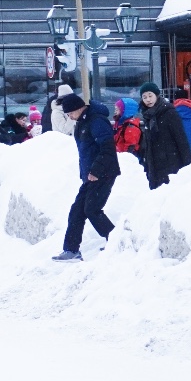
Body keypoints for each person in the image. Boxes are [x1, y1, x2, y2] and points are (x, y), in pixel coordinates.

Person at [53, 94, 119, 262]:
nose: (69, 117)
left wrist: (96, 170)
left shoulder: (96, 121)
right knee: (77, 211)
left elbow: (107, 148)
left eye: (69, 113)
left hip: (103, 173)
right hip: (90, 174)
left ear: (78, 108)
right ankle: (71, 250)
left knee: (92, 209)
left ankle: (117, 240)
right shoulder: (83, 122)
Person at [137, 84, 191, 188]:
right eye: (144, 97)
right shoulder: (147, 116)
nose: (148, 99)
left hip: (172, 164)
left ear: (157, 95)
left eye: (150, 95)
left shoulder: (169, 113)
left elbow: (181, 139)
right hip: (155, 167)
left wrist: (189, 166)